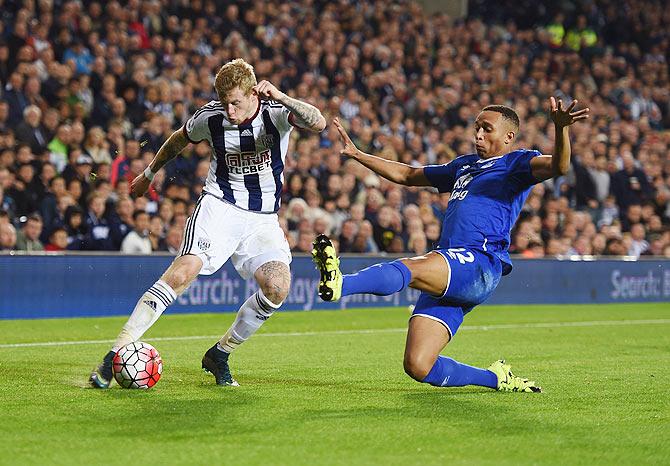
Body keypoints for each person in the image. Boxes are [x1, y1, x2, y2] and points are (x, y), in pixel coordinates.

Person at [313, 98, 589, 393]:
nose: (478, 135)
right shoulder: (463, 166)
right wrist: (358, 154)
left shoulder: (516, 163)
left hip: (479, 262)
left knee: (411, 267)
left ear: (509, 137)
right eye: (477, 128)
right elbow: (407, 175)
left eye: (487, 129)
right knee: (419, 365)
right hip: (451, 267)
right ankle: (496, 378)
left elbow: (559, 166)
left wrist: (561, 130)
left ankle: (342, 284)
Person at [89, 58, 326, 388]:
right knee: (184, 271)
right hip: (220, 206)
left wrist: (283, 96)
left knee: (278, 288)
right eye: (225, 102)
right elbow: (178, 138)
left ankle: (220, 354)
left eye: (236, 103)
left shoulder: (276, 112)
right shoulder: (211, 117)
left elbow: (319, 123)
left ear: (253, 93)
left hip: (262, 219)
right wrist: (148, 174)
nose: (229, 111)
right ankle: (113, 354)